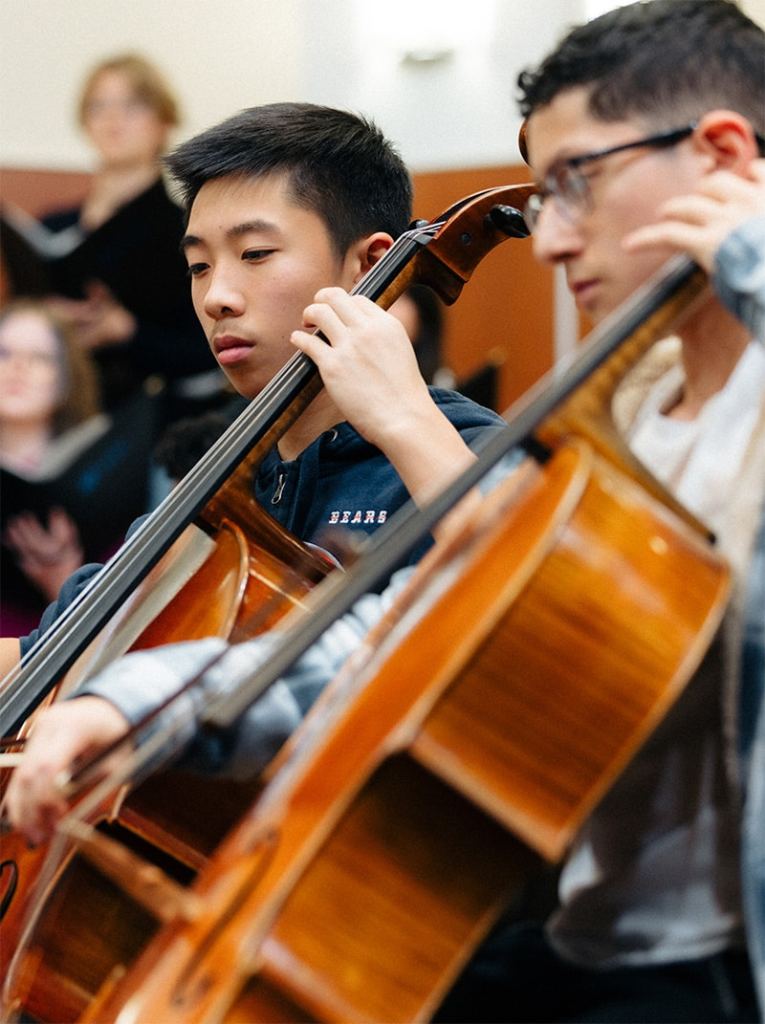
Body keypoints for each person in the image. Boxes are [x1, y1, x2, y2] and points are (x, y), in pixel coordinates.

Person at [8, 6, 765, 1019]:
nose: (548, 240)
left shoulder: (546, 435)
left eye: (577, 182)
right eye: (545, 196)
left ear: (724, 156)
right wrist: (122, 703)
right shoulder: (619, 423)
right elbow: (388, 636)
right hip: (592, 950)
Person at [0, 100, 503, 785]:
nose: (217, 297)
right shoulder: (219, 478)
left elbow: (525, 609)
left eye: (255, 254)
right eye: (198, 266)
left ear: (369, 264)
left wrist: (406, 423)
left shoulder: (465, 449)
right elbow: (44, 653)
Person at [36, 54, 224, 422]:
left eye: (132, 106)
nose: (113, 119)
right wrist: (45, 317)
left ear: (164, 121)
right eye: (98, 105)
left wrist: (127, 331)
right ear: (85, 122)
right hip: (56, 412)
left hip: (151, 419)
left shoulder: (187, 231)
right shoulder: (54, 226)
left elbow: (208, 353)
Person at [0, 301, 99, 634]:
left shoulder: (97, 463)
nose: (18, 367)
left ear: (66, 379)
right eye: (3, 353)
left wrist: (63, 582)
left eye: (40, 357)